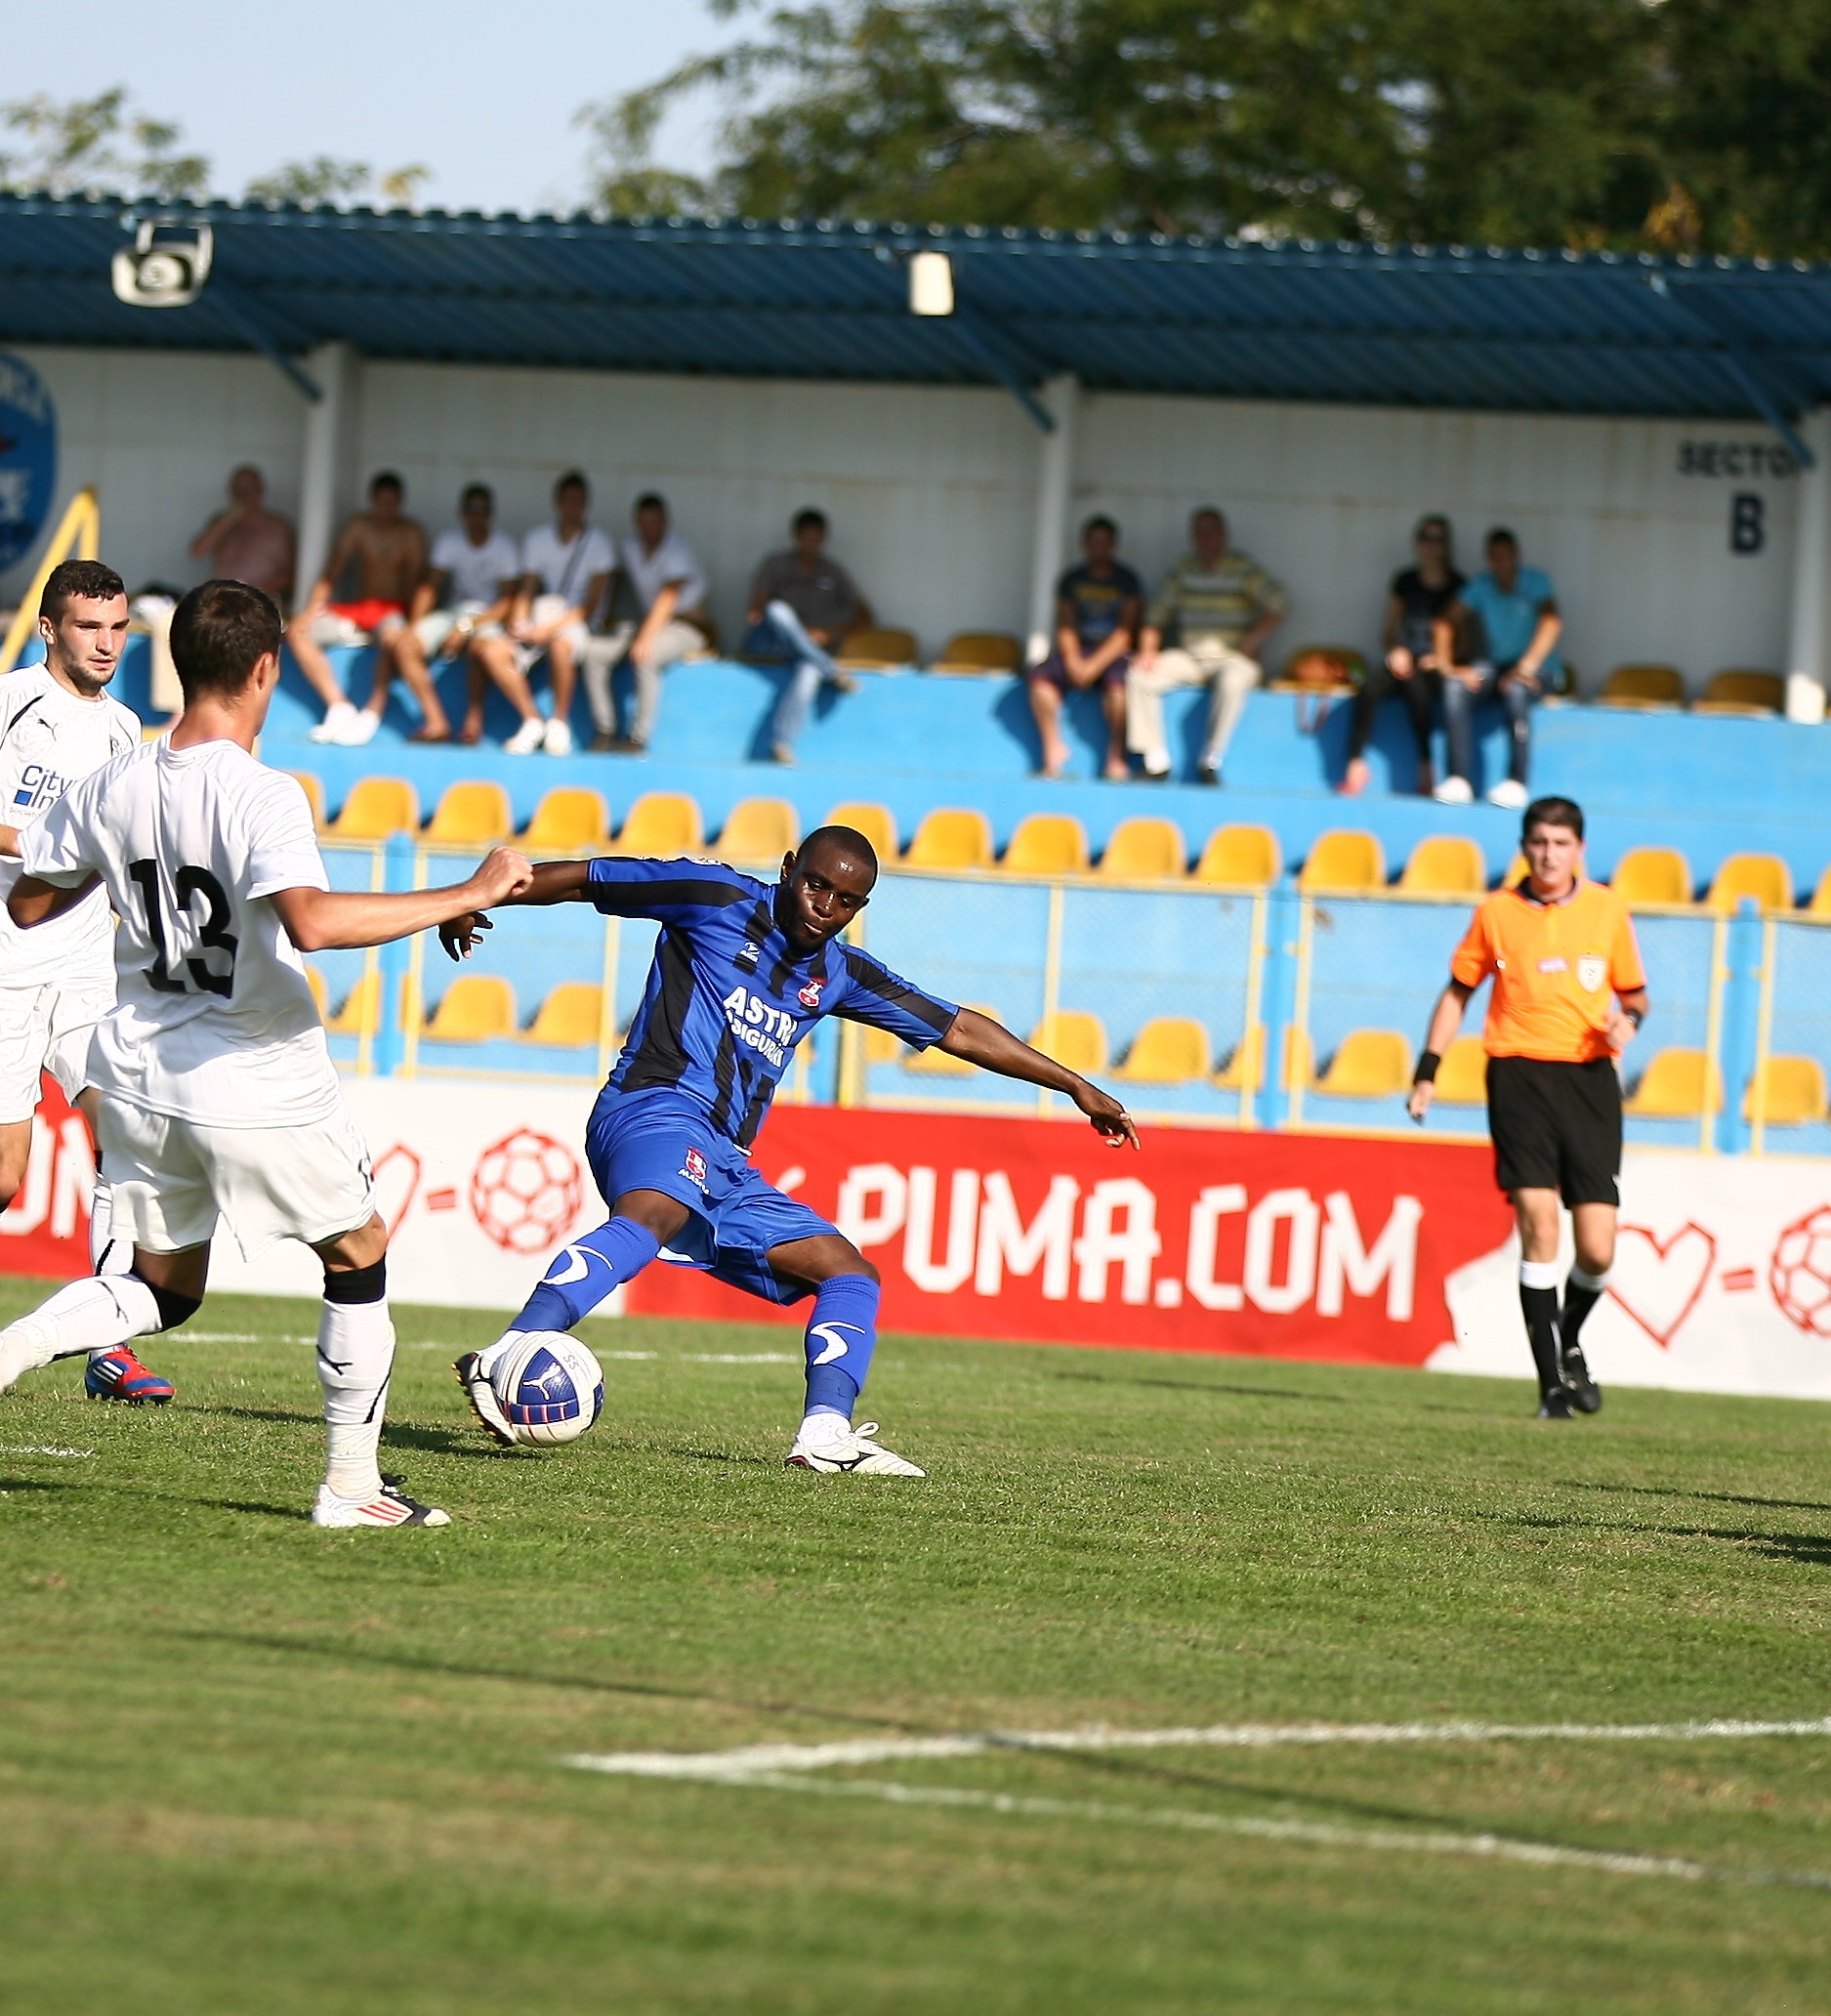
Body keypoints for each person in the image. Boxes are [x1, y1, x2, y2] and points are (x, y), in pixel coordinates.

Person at [0, 579, 537, 1524]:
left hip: (143, 1072)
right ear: (265, 670)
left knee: (163, 1288)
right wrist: (466, 891)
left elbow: (28, 901)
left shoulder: (113, 781)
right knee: (359, 1251)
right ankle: (351, 1488)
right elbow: (316, 924)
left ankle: (4, 1352)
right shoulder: (263, 792)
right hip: (255, 1073)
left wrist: (128, 874)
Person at [449, 827, 1140, 1476]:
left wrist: (1075, 1084)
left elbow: (956, 1028)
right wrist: (473, 899)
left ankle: (824, 1437)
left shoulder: (839, 972)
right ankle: (509, 1352)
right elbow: (584, 880)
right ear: (787, 870)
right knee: (654, 1211)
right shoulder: (712, 896)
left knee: (848, 1273)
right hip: (651, 1108)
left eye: (846, 900)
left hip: (723, 1159)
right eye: (816, 886)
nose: (826, 907)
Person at [0, 559, 172, 1405]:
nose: (108, 644)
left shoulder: (128, 731)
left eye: (119, 628)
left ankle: (108, 1341)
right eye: (90, 627)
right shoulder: (3, 703)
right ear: (49, 628)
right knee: (1, 1177)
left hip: (86, 973)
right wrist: (30, 843)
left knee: (127, 1134)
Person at [1404, 795, 1648, 1419]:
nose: (1548, 854)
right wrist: (1427, 1072)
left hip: (1590, 1082)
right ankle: (1550, 1390)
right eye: (1539, 842)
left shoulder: (1607, 910)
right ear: (1524, 846)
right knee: (1539, 1224)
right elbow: (1457, 993)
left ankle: (1568, 1339)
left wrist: (1628, 1023)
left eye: (1561, 843)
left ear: (1580, 850)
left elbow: (1636, 995)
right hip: (1516, 1076)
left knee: (1597, 1248)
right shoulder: (1496, 912)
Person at [1127, 507, 1289, 788]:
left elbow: (1279, 601)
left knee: (1236, 679)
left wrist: (1252, 641)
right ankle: (1156, 762)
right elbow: (1157, 613)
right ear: (1193, 537)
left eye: (1212, 533)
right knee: (1139, 675)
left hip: (1231, 656)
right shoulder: (1183, 570)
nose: (1207, 539)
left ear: (1224, 535)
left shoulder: (1241, 568)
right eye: (1201, 534)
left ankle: (1210, 759)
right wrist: (1147, 649)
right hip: (1190, 656)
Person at [291, 471, 439, 747]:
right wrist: (310, 611)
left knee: (393, 639)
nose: (386, 509)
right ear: (372, 500)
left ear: (400, 502)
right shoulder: (359, 527)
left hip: (394, 610)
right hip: (360, 610)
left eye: (392, 503)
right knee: (298, 633)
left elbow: (421, 585)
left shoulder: (411, 534)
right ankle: (338, 705)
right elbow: (331, 573)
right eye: (381, 502)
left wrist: (413, 624)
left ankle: (372, 711)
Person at [1348, 514, 1475, 800]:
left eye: (1438, 539)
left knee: (1416, 687)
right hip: (1405, 662)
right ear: (1417, 544)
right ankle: (1354, 762)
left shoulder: (1458, 584)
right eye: (1426, 539)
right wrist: (1397, 651)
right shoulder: (1404, 581)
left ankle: (1426, 766)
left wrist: (1442, 659)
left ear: (1447, 546)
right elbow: (1389, 631)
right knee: (1369, 687)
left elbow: (1465, 640)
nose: (1431, 546)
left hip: (1435, 667)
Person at [576, 491, 711, 754]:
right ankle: (605, 731)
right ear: (636, 522)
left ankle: (638, 739)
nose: (649, 528)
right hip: (649, 622)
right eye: (643, 522)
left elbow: (668, 597)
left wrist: (644, 638)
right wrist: (607, 615)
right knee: (594, 652)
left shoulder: (677, 550)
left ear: (665, 522)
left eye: (655, 522)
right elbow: (614, 579)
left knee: (646, 655)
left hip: (688, 627)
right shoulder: (629, 546)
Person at [495, 469, 615, 756]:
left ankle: (558, 722)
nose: (572, 507)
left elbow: (590, 606)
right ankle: (531, 719)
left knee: (561, 647)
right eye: (567, 501)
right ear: (556, 503)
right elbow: (527, 589)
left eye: (578, 501)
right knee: (492, 652)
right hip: (542, 615)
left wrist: (548, 631)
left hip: (576, 622)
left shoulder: (599, 544)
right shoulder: (538, 539)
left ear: (586, 505)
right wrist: (519, 620)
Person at [743, 509, 871, 767]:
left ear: (824, 539)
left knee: (809, 673)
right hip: (772, 643)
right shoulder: (775, 564)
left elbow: (866, 616)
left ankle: (781, 744)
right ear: (796, 537)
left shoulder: (833, 573)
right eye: (806, 537)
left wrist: (828, 633)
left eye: (817, 537)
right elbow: (756, 613)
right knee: (778, 611)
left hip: (808, 651)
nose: (811, 543)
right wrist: (792, 629)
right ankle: (831, 669)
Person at [1445, 528, 1560, 810]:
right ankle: (1459, 778)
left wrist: (1526, 667)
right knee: (1454, 688)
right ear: (1488, 558)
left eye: (1506, 555)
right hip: (1497, 668)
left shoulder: (1536, 581)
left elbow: (1552, 622)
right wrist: (1449, 666)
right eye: (1495, 556)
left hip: (1537, 668)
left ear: (1517, 555)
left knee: (1517, 691)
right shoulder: (1481, 586)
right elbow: (1445, 621)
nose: (1502, 561)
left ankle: (1517, 781)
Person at [422, 482, 539, 748]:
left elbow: (507, 602)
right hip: (453, 614)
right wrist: (415, 623)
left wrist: (465, 628)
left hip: (487, 618)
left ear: (491, 514)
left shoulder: (504, 547)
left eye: (483, 509)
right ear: (462, 512)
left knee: (482, 648)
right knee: (406, 646)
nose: (478, 515)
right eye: (472, 509)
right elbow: (430, 587)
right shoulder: (449, 542)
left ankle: (482, 720)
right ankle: (435, 721)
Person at [1028, 515, 1141, 779]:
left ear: (1114, 545)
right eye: (1094, 542)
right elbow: (1065, 625)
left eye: (1104, 542)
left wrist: (1093, 666)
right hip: (1079, 651)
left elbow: (1125, 633)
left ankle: (1116, 758)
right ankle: (1053, 751)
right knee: (1039, 679)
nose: (1099, 547)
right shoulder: (1071, 579)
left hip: (1113, 655)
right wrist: (1074, 661)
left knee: (1120, 690)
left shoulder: (1127, 580)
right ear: (1084, 544)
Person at [187, 464, 295, 600]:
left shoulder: (277, 528)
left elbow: (290, 576)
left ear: (260, 491)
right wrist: (227, 521)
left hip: (258, 600)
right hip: (219, 599)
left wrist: (253, 589)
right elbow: (196, 553)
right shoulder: (221, 521)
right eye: (239, 491)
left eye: (249, 490)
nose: (244, 496)